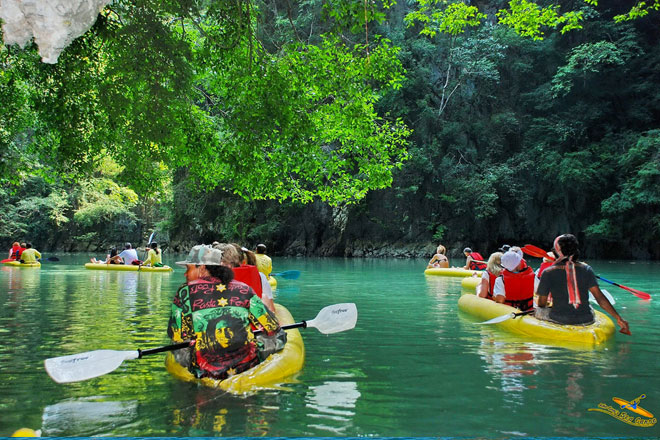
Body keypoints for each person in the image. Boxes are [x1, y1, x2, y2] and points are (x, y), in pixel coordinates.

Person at [167, 244, 285, 379]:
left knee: (177, 346)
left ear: (203, 268)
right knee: (278, 336)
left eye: (188, 269)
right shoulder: (244, 288)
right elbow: (272, 327)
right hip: (246, 365)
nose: (185, 274)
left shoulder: (184, 292)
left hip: (206, 370)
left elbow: (176, 335)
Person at [536, 234, 630, 334]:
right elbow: (600, 298)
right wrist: (619, 318)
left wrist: (547, 303)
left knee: (538, 310)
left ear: (556, 251)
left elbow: (541, 303)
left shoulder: (548, 272)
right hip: (587, 319)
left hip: (559, 318)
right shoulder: (587, 269)